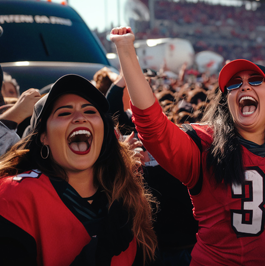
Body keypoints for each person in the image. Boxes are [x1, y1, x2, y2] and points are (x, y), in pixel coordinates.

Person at [111, 27, 265, 265]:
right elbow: (153, 128)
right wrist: (126, 51)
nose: (244, 87)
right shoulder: (204, 144)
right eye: (234, 84)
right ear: (226, 101)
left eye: (255, 80)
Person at [0, 74, 157, 265]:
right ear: (44, 137)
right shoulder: (13, 197)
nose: (79, 118)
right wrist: (100, 252)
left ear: (104, 131)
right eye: (64, 113)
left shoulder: (126, 194)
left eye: (90, 111)